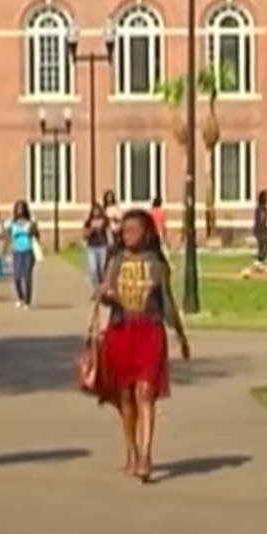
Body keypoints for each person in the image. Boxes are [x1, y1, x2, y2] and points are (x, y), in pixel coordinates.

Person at [92, 209, 190, 483]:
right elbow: (103, 294)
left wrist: (181, 336)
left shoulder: (157, 264)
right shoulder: (116, 260)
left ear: (147, 233)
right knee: (125, 395)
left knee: (145, 392)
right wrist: (105, 295)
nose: (128, 235)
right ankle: (131, 450)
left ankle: (146, 454)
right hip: (121, 331)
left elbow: (167, 302)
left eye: (133, 230)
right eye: (124, 231)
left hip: (149, 331)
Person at [4, 200, 40, 308]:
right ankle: (20, 297)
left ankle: (28, 301)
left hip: (28, 251)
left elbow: (36, 235)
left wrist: (33, 228)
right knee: (17, 276)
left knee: (27, 276)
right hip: (16, 251)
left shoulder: (30, 222)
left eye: (21, 208)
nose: (19, 210)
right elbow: (6, 236)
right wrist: (4, 251)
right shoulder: (12, 223)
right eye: (18, 208)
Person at [83, 202, 109, 296]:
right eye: (94, 211)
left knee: (102, 269)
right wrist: (92, 229)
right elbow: (84, 235)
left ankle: (103, 289)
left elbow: (109, 232)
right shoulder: (88, 222)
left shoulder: (105, 221)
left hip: (102, 246)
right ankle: (95, 290)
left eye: (98, 210)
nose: (96, 212)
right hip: (91, 247)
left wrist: (101, 228)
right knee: (93, 270)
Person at [252, 190, 267, 268]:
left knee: (262, 246)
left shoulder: (260, 207)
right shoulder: (262, 208)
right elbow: (262, 219)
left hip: (259, 230)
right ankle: (259, 260)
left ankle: (259, 261)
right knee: (266, 243)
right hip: (260, 230)